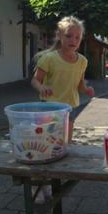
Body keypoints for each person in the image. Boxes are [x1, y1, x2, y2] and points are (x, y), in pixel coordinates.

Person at [31, 15, 95, 143]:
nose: (73, 40)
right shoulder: (49, 58)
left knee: (66, 140)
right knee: (48, 138)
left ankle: (64, 159)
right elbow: (35, 80)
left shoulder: (83, 61)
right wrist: (41, 87)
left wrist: (86, 90)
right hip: (50, 106)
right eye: (68, 36)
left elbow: (80, 84)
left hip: (71, 106)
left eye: (78, 37)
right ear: (60, 36)